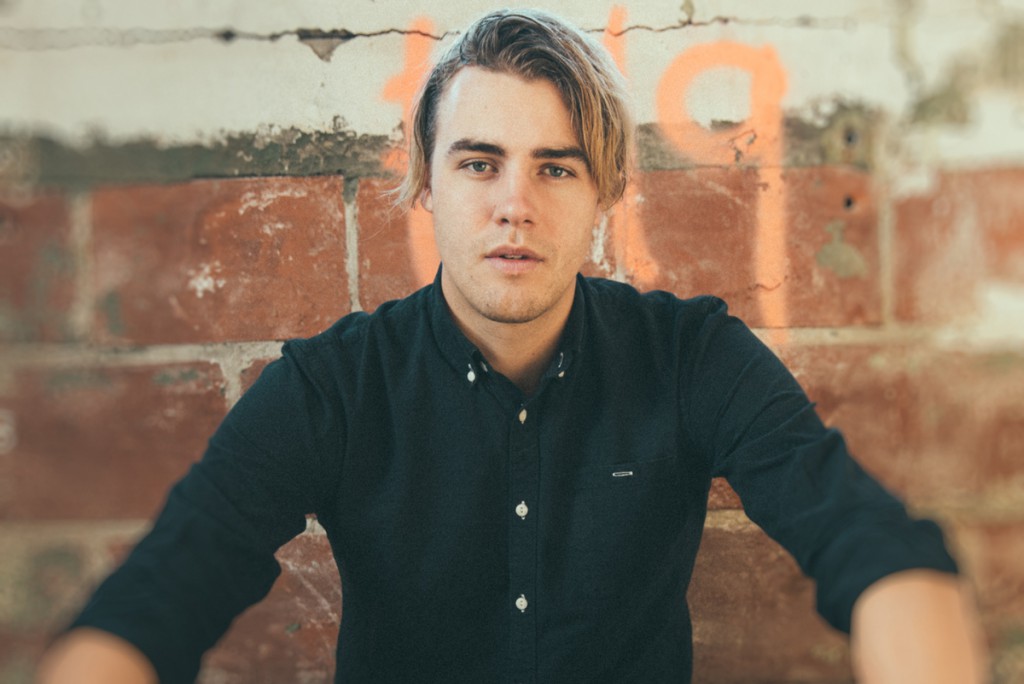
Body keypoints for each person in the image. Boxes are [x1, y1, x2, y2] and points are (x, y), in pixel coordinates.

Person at [38, 9, 988, 684]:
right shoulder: (336, 388)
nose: (514, 206)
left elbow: (866, 541)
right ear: (426, 184)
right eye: (479, 163)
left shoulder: (688, 357)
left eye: (556, 169)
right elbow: (165, 591)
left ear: (604, 191)